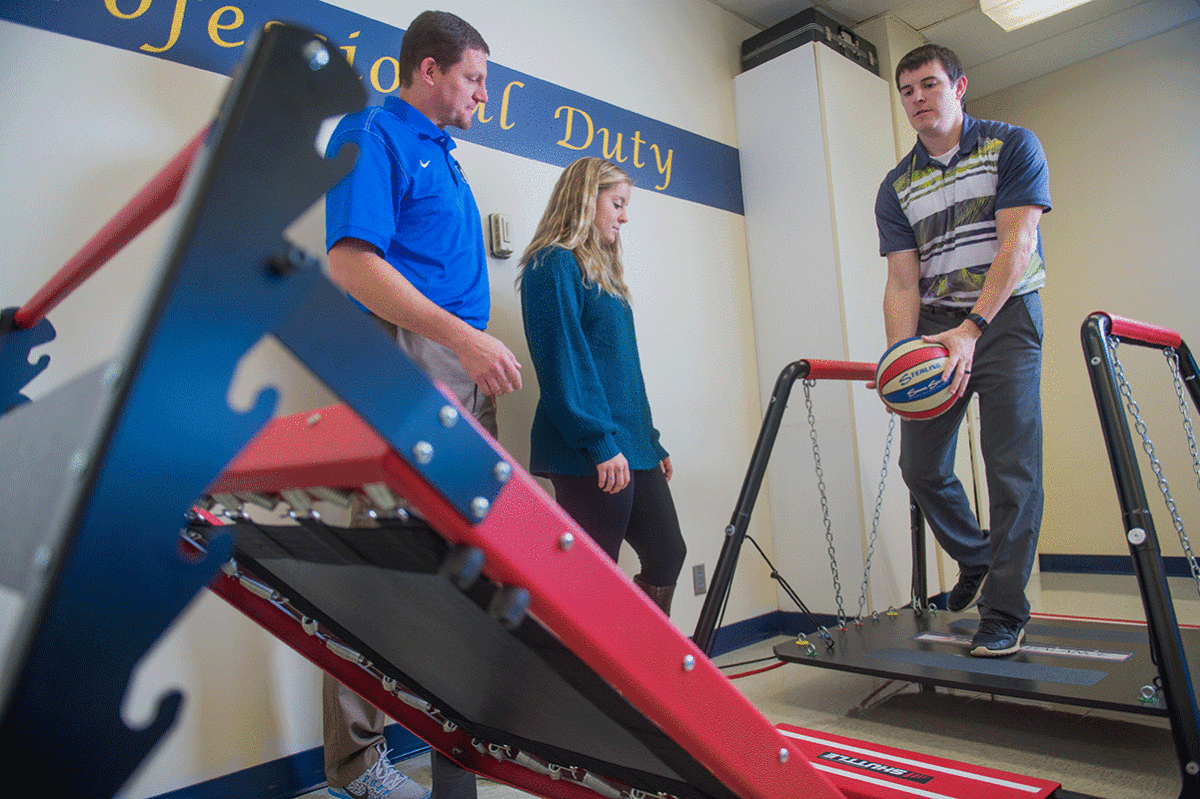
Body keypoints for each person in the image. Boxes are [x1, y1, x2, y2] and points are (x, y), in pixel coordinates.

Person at [322, 10, 521, 799]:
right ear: (428, 70)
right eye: (474, 77)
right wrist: (462, 342)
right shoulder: (375, 133)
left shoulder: (446, 154)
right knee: (386, 566)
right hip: (414, 358)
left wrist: (474, 349)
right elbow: (351, 263)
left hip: (465, 366)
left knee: (465, 564)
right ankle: (355, 768)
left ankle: (454, 743)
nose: (482, 94)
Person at [874, 44, 1051, 658]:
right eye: (907, 91)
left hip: (1003, 321)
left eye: (928, 85)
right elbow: (903, 280)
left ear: (960, 86)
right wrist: (899, 358)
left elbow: (1018, 243)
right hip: (934, 325)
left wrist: (972, 328)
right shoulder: (897, 184)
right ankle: (976, 556)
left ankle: (1004, 611)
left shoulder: (1012, 146)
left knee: (1011, 472)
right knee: (919, 466)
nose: (917, 99)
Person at [517, 157, 686, 616]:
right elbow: (563, 360)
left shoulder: (604, 273)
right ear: (585, 199)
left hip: (629, 442)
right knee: (593, 574)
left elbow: (622, 372)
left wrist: (649, 441)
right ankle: (588, 681)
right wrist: (597, 439)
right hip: (587, 446)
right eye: (617, 204)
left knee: (668, 552)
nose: (623, 216)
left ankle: (639, 663)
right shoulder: (551, 263)